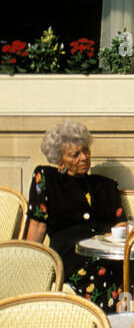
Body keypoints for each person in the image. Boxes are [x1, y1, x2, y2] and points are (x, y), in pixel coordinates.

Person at [25, 120, 127, 310]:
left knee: (129, 271)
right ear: (59, 159)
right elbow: (37, 224)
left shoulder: (105, 185)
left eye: (86, 151)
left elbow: (121, 226)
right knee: (100, 276)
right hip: (72, 257)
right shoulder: (46, 179)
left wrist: (112, 237)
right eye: (75, 155)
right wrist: (30, 265)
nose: (84, 158)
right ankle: (117, 320)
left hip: (109, 254)